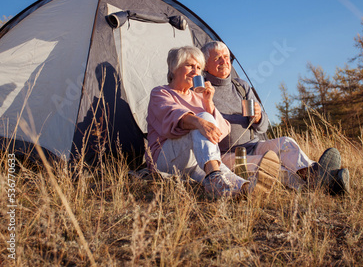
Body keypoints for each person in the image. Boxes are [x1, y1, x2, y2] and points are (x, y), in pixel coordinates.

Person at [201, 41, 350, 195]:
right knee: (269, 167)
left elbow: (263, 127)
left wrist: (258, 118)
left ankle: (315, 175)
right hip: (228, 154)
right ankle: (328, 183)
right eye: (218, 58)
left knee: (286, 142)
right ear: (205, 64)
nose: (224, 61)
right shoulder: (201, 90)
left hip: (253, 145)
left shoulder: (240, 86)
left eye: (226, 57)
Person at [146, 46, 249, 198]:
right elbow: (172, 116)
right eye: (190, 66)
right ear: (174, 67)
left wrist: (208, 103)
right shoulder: (161, 93)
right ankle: (214, 177)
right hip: (165, 160)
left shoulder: (198, 98)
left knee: (225, 176)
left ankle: (245, 188)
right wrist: (199, 122)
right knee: (203, 121)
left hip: (195, 161)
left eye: (199, 68)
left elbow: (221, 131)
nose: (195, 72)